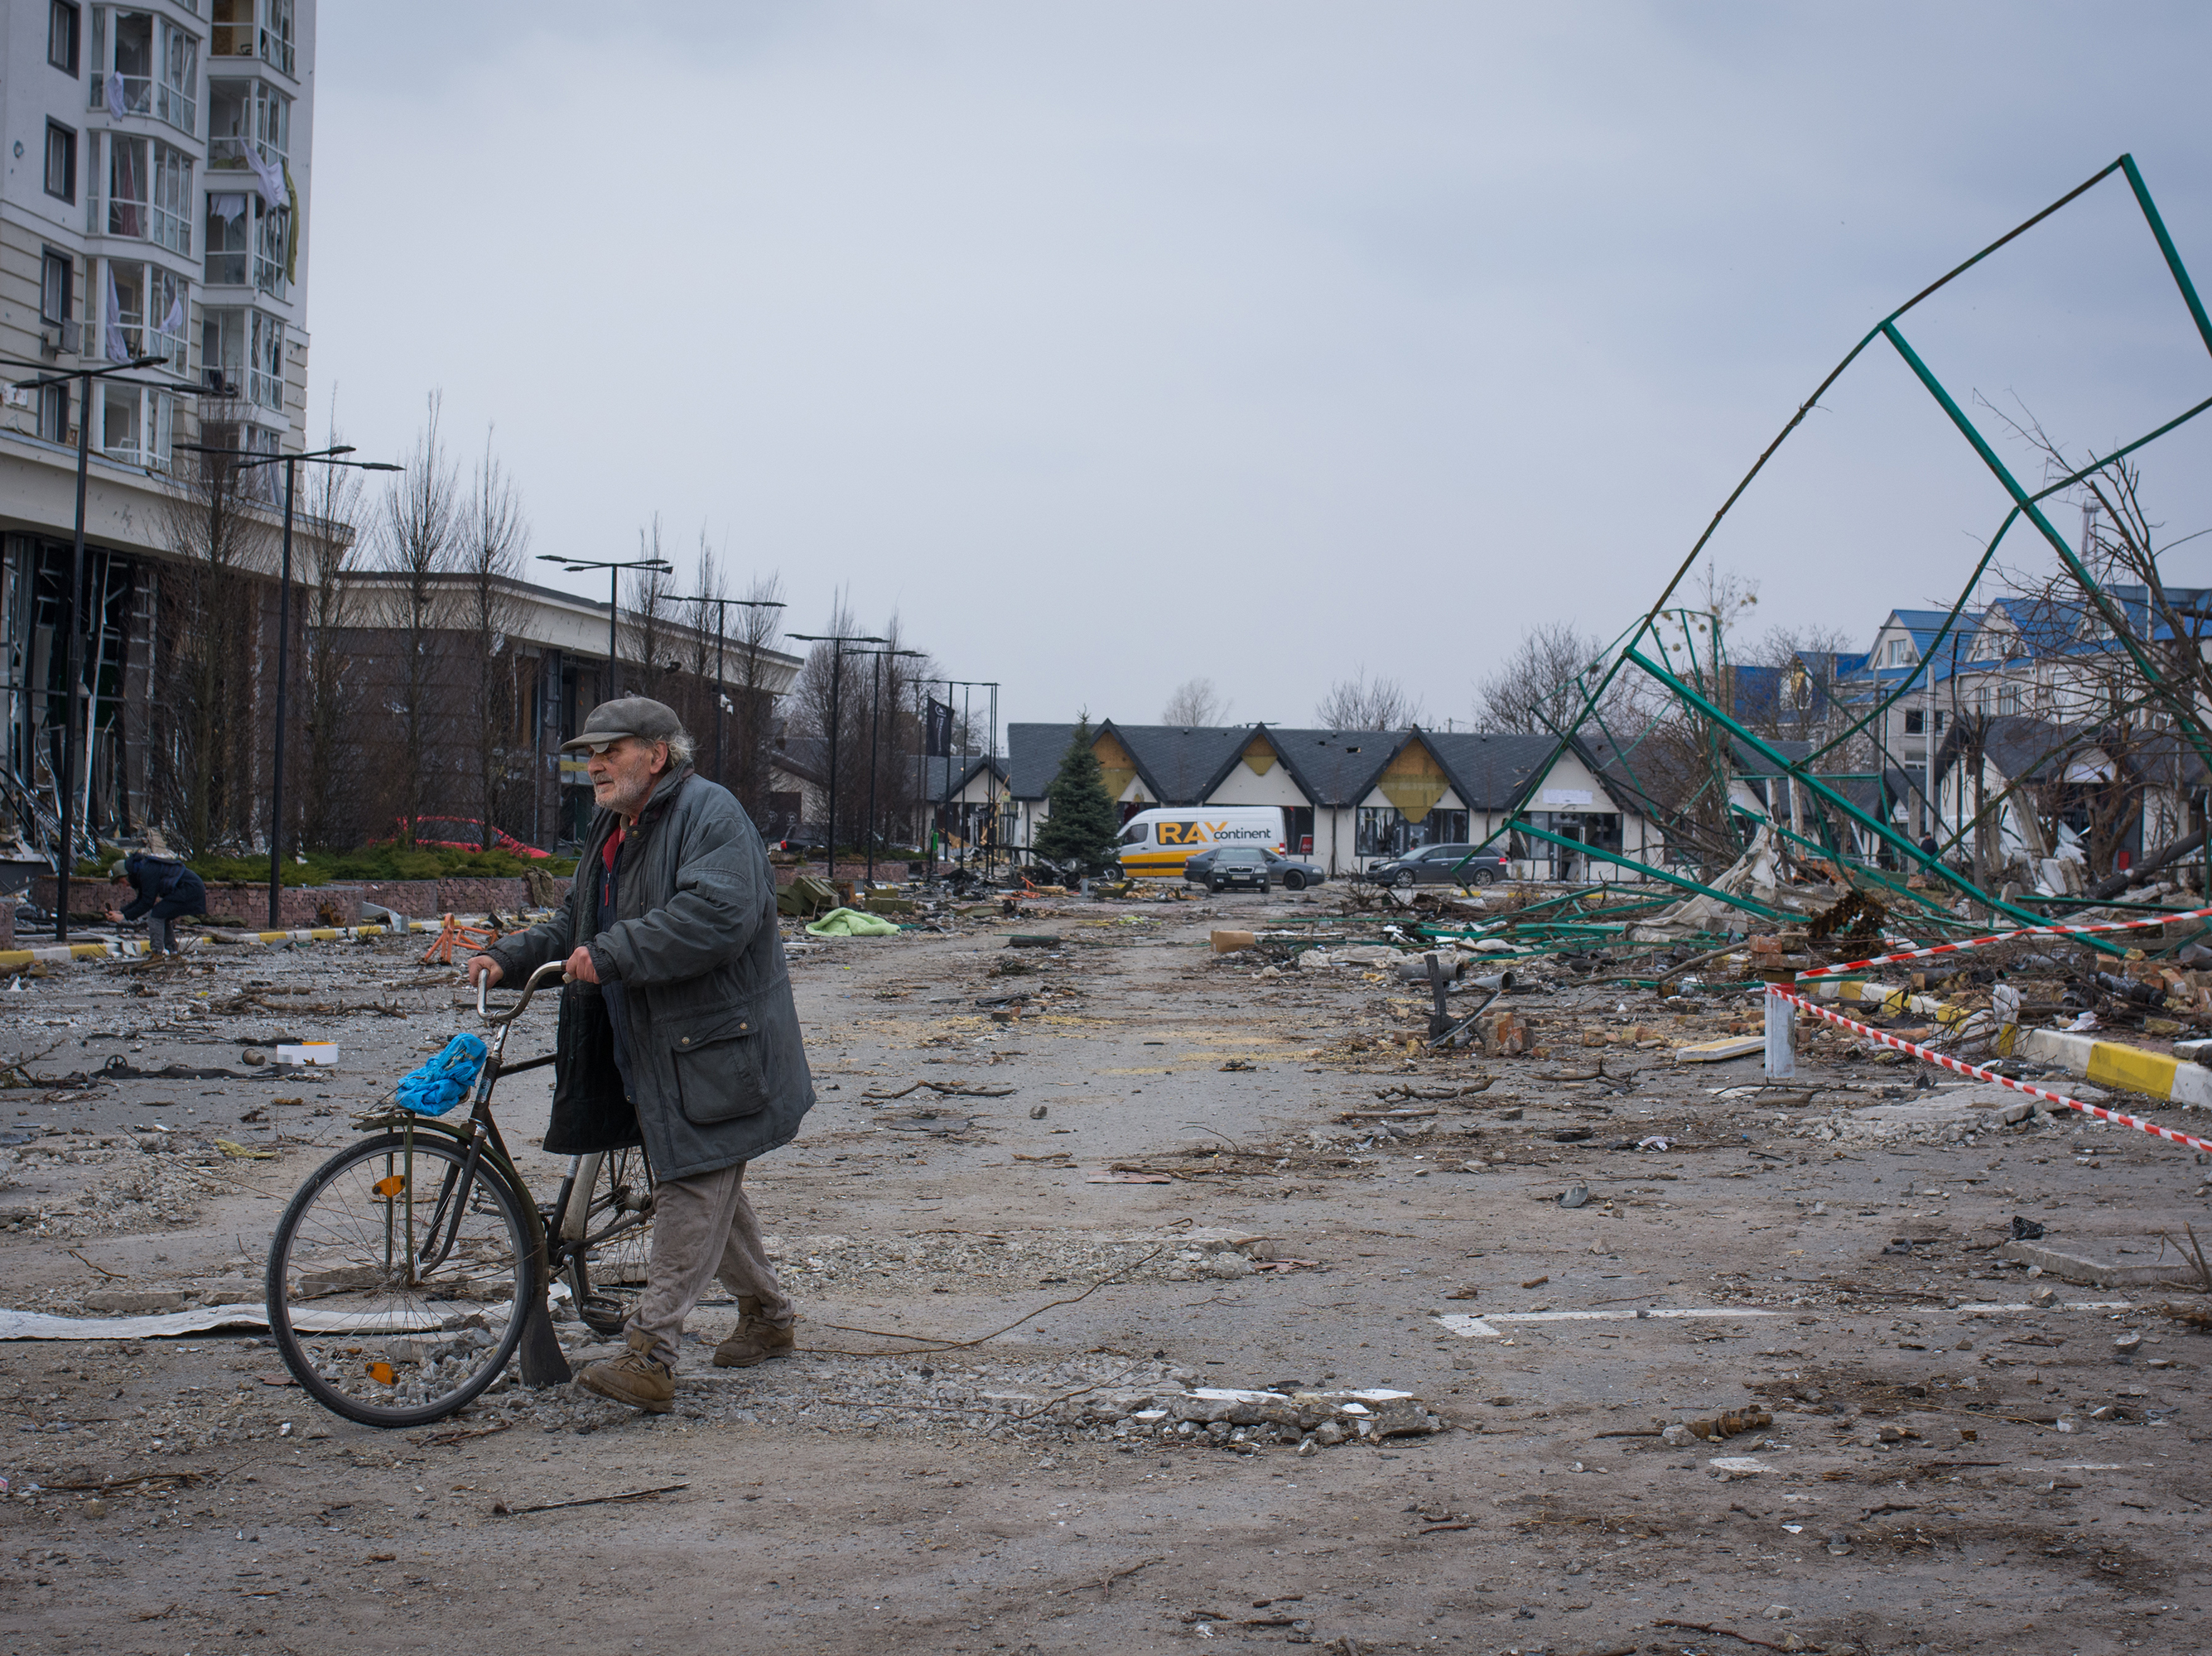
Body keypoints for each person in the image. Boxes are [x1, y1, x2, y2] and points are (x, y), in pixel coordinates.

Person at [467, 697, 815, 1413]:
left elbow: (718, 916)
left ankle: (650, 1353)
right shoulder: (614, 826)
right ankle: (770, 1319)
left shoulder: (709, 815)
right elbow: (578, 920)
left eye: (611, 750)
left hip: (718, 1046)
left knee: (691, 1181)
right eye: (589, 753)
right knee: (707, 1182)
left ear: (657, 755)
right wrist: (508, 956)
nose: (593, 764)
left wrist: (614, 951)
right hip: (659, 1045)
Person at [104, 829, 206, 954]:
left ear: (126, 874)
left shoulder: (147, 872)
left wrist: (124, 917)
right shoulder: (142, 869)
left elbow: (147, 903)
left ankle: (157, 953)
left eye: (122, 882)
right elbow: (141, 900)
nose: (124, 885)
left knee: (155, 915)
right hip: (191, 887)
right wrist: (120, 912)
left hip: (190, 888)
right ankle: (172, 951)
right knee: (161, 914)